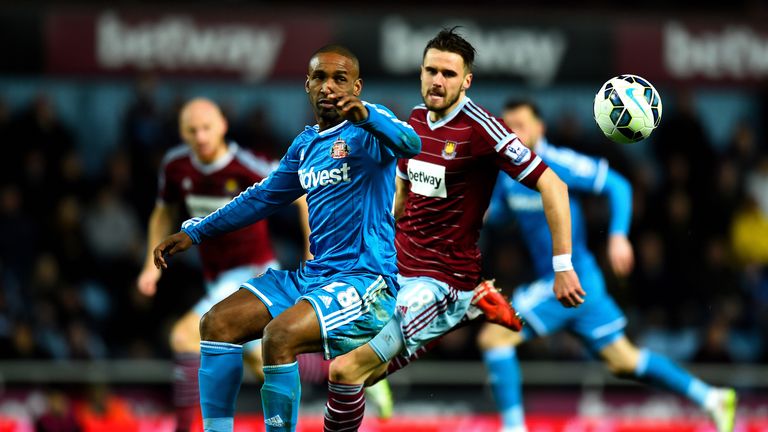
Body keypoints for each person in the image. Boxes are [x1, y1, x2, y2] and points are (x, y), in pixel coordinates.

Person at [322, 28, 584, 432]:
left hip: (441, 280)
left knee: (345, 372)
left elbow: (554, 184)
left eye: (448, 73)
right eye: (431, 71)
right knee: (345, 367)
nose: (438, 81)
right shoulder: (411, 120)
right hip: (394, 269)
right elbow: (404, 188)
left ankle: (463, 305)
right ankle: (469, 306)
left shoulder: (483, 129)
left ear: (467, 81)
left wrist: (563, 265)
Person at [152, 44, 421, 432]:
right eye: (320, 78)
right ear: (307, 85)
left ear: (357, 87)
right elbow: (260, 197)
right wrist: (194, 232)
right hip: (315, 276)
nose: (329, 87)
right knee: (216, 323)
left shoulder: (370, 129)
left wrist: (366, 116)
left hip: (366, 279)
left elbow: (411, 143)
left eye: (340, 79)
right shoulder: (306, 145)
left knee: (278, 336)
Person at [478, 100, 737, 432]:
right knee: (625, 361)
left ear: (540, 128)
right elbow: (498, 214)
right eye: (508, 125)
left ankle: (513, 428)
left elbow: (619, 186)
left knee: (494, 338)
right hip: (572, 284)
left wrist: (617, 236)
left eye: (522, 124)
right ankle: (712, 398)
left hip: (571, 278)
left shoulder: (556, 163)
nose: (514, 132)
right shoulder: (508, 173)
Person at [137, 97, 314, 431]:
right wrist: (150, 265)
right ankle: (342, 366)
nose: (201, 136)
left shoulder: (246, 164)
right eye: (192, 130)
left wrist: (311, 253)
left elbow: (303, 193)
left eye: (206, 128)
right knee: (263, 358)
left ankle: (187, 427)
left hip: (253, 271)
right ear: (182, 133)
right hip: (215, 277)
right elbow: (163, 212)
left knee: (185, 336)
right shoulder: (176, 167)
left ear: (222, 127)